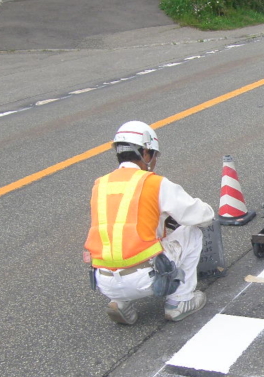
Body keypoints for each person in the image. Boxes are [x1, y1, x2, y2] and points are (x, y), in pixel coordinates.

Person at [84, 121, 215, 325]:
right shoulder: (153, 183)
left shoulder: (100, 184)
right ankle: (180, 302)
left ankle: (120, 302)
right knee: (192, 232)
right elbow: (202, 216)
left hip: (103, 280)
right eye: (154, 155)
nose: (154, 161)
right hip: (144, 278)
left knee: (117, 244)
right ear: (145, 152)